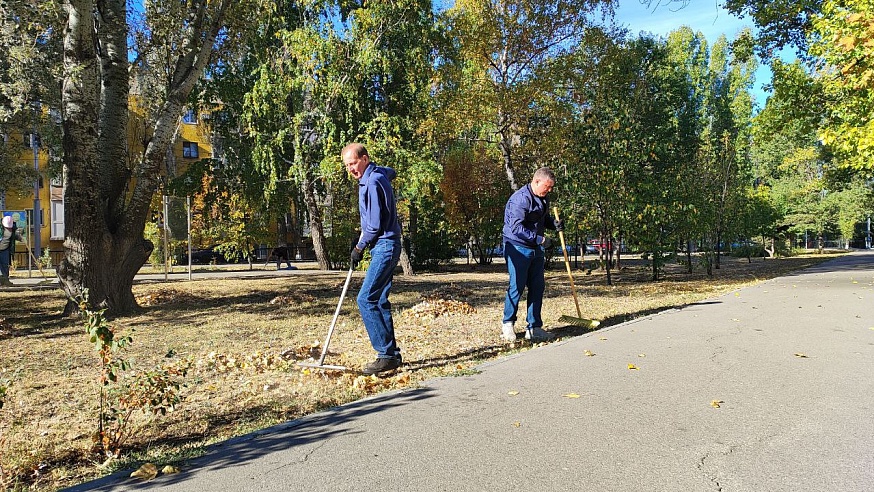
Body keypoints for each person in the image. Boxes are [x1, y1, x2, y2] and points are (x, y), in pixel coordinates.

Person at [343, 143, 404, 375]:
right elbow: (392, 171)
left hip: (385, 245)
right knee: (378, 300)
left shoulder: (372, 182)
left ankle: (385, 355)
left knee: (365, 299)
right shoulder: (378, 173)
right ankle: (391, 355)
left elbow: (374, 225)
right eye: (347, 165)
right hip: (387, 244)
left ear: (365, 158)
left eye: (353, 163)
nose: (350, 169)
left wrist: (358, 248)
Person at [500, 167, 563, 342]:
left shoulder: (543, 198)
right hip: (517, 247)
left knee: (537, 286)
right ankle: (508, 325)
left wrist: (553, 223)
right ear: (536, 182)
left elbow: (540, 219)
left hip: (535, 249)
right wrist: (540, 240)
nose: (549, 191)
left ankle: (534, 328)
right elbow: (516, 228)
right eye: (547, 187)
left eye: (551, 188)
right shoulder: (520, 200)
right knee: (517, 286)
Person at [0, 215, 24, 287]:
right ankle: (1, 281)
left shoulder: (13, 228)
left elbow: (15, 235)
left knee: (5, 265)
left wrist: (20, 238)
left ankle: (6, 281)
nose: (8, 228)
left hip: (5, 249)